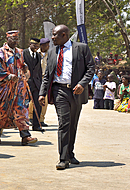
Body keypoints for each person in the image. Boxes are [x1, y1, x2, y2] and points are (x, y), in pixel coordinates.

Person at [38, 24, 95, 170]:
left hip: (76, 92)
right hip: (59, 91)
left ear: (64, 35)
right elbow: (47, 75)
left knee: (72, 123)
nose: (52, 37)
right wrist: (42, 93)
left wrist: (83, 84)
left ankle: (70, 153)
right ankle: (63, 158)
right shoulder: (52, 52)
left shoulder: (81, 48)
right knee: (64, 122)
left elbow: (90, 69)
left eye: (55, 34)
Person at [0, 30, 38, 146]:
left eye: (17, 39)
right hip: (1, 88)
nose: (15, 42)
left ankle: (25, 136)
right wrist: (8, 76)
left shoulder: (19, 52)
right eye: (13, 39)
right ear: (7, 39)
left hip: (17, 88)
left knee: (20, 109)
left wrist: (24, 68)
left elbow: (21, 64)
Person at [23, 38, 44, 132]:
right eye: (34, 46)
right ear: (30, 44)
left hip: (36, 84)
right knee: (24, 105)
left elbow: (39, 70)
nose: (36, 48)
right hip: (25, 84)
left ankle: (36, 125)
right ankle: (23, 125)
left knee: (38, 104)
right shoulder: (23, 54)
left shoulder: (39, 56)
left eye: (37, 46)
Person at [37, 38, 50, 127]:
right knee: (33, 99)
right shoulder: (36, 53)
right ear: (41, 45)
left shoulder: (50, 54)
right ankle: (31, 117)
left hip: (46, 78)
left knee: (45, 100)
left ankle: (41, 119)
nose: (47, 47)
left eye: (48, 45)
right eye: (46, 45)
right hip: (37, 78)